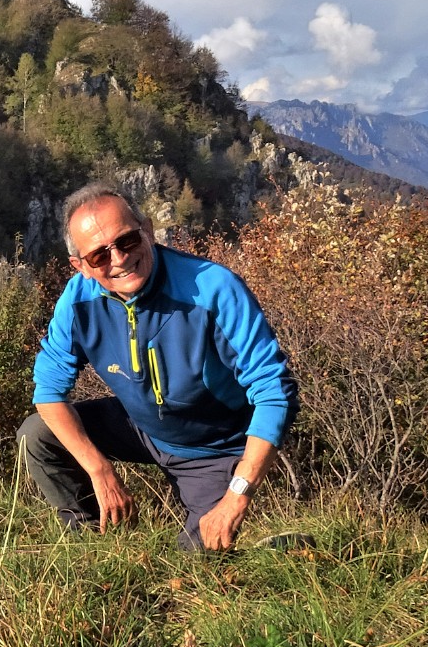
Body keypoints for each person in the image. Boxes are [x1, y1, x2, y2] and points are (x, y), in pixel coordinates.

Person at [17, 182, 298, 551]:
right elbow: (48, 392)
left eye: (127, 241)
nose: (118, 259)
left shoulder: (213, 289)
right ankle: (92, 546)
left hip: (213, 449)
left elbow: (275, 393)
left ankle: (290, 549)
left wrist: (236, 497)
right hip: (142, 426)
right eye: (99, 255)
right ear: (80, 266)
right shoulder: (78, 299)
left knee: (193, 570)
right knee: (36, 434)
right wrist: (99, 471)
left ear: (147, 230)